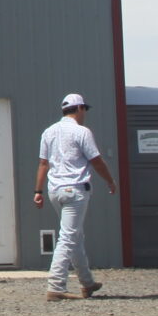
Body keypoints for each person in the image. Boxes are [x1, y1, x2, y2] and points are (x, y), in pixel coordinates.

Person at [33, 92, 117, 301]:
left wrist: (38, 191)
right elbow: (96, 160)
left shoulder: (48, 132)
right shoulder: (82, 132)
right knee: (68, 237)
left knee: (75, 236)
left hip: (55, 190)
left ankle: (87, 282)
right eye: (84, 109)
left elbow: (43, 163)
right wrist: (110, 180)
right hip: (75, 189)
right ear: (79, 109)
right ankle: (56, 285)